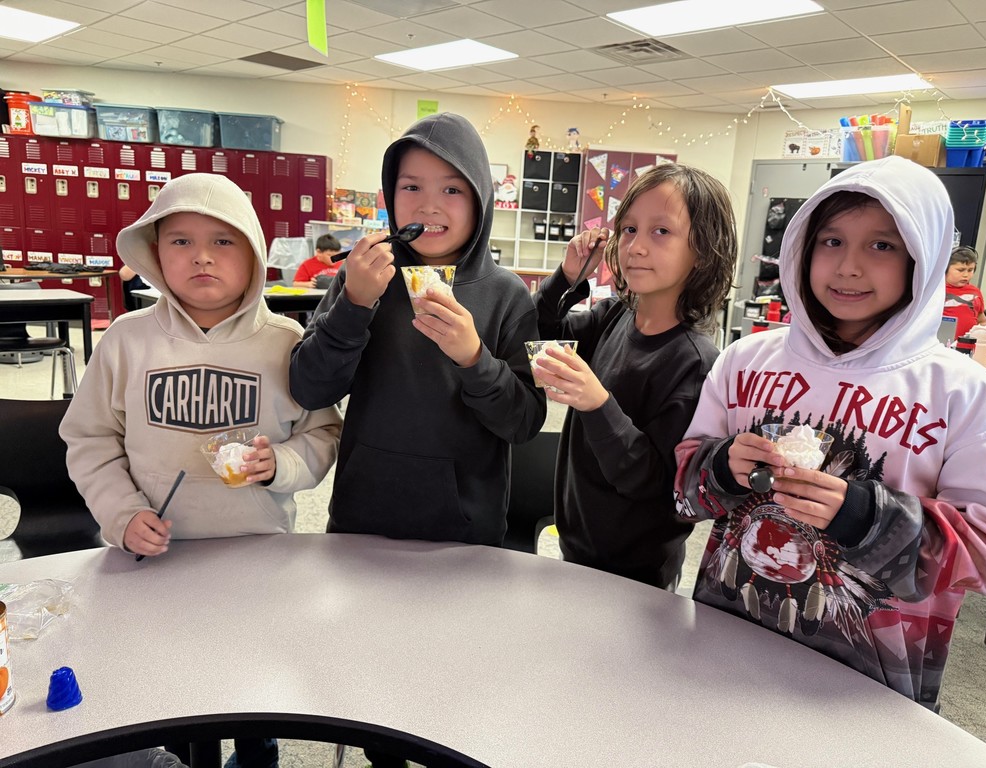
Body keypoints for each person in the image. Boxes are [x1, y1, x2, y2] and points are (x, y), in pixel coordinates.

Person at [672, 155, 986, 710]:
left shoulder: (963, 395)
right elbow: (686, 489)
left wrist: (868, 516)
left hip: (869, 686)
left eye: (882, 245)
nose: (848, 267)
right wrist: (721, 466)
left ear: (922, 258)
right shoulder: (746, 362)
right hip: (725, 646)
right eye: (831, 241)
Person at [60, 173, 343, 768]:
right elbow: (89, 439)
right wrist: (122, 512)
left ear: (255, 255)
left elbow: (324, 431)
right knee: (168, 683)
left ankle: (257, 749)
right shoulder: (127, 341)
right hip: (159, 556)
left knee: (252, 683)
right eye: (181, 241)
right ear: (155, 253)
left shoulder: (286, 341)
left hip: (259, 553)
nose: (202, 258)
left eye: (223, 241)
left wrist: (282, 465)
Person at [289, 113, 545, 767]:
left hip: (460, 533)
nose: (430, 205)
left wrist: (473, 357)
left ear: (481, 199)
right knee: (372, 687)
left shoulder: (509, 296)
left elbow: (525, 418)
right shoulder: (359, 275)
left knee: (447, 689)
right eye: (412, 187)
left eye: (452, 189)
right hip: (365, 522)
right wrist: (354, 303)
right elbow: (309, 385)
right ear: (389, 195)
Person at [531, 163, 737, 590]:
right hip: (574, 549)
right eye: (628, 229)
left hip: (637, 578)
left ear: (703, 251)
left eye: (661, 232)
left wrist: (596, 403)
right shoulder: (613, 317)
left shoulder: (697, 363)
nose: (636, 247)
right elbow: (540, 332)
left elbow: (657, 485)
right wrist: (566, 279)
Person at [942, 244, 986, 338]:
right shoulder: (936, 291)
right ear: (945, 268)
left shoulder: (975, 292)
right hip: (942, 345)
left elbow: (982, 321)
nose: (966, 275)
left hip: (968, 347)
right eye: (960, 270)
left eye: (970, 270)